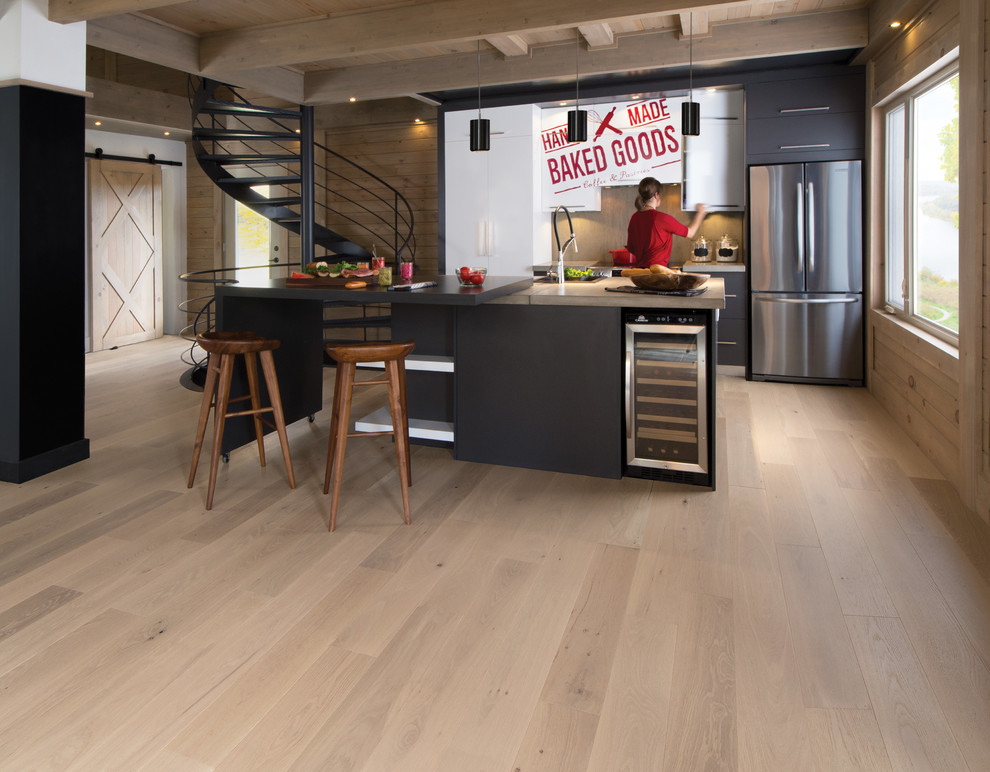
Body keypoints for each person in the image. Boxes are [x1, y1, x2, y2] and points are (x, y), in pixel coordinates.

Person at [626, 177, 707, 268]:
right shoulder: (662, 218)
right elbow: (690, 233)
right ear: (656, 195)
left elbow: (631, 248)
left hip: (639, 274)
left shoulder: (634, 217)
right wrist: (701, 213)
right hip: (657, 274)